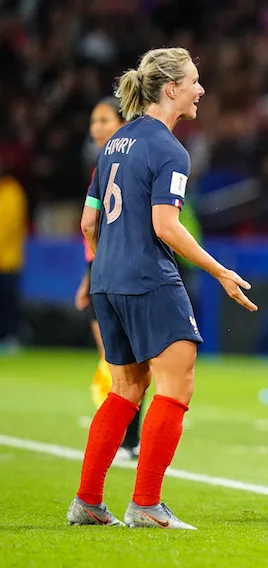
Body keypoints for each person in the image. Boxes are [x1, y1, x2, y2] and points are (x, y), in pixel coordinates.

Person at [67, 47, 257, 530]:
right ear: (171, 89)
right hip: (148, 277)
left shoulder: (114, 143)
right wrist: (220, 271)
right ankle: (146, 504)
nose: (201, 89)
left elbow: (88, 222)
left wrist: (106, 266)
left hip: (107, 280)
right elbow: (166, 226)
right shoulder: (171, 150)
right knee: (177, 384)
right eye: (194, 81)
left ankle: (88, 502)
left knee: (125, 388)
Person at [74, 98, 143, 460]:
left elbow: (91, 225)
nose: (95, 128)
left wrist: (98, 268)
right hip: (107, 266)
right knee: (119, 358)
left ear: (122, 123)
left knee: (120, 359)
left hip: (111, 265)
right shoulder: (109, 164)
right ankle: (124, 436)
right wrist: (87, 277)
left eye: (103, 120)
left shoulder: (114, 165)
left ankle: (126, 439)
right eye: (93, 121)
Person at [0, 159, 27, 353]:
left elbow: (9, 227)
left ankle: (10, 337)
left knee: (8, 302)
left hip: (9, 260)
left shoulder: (12, 191)